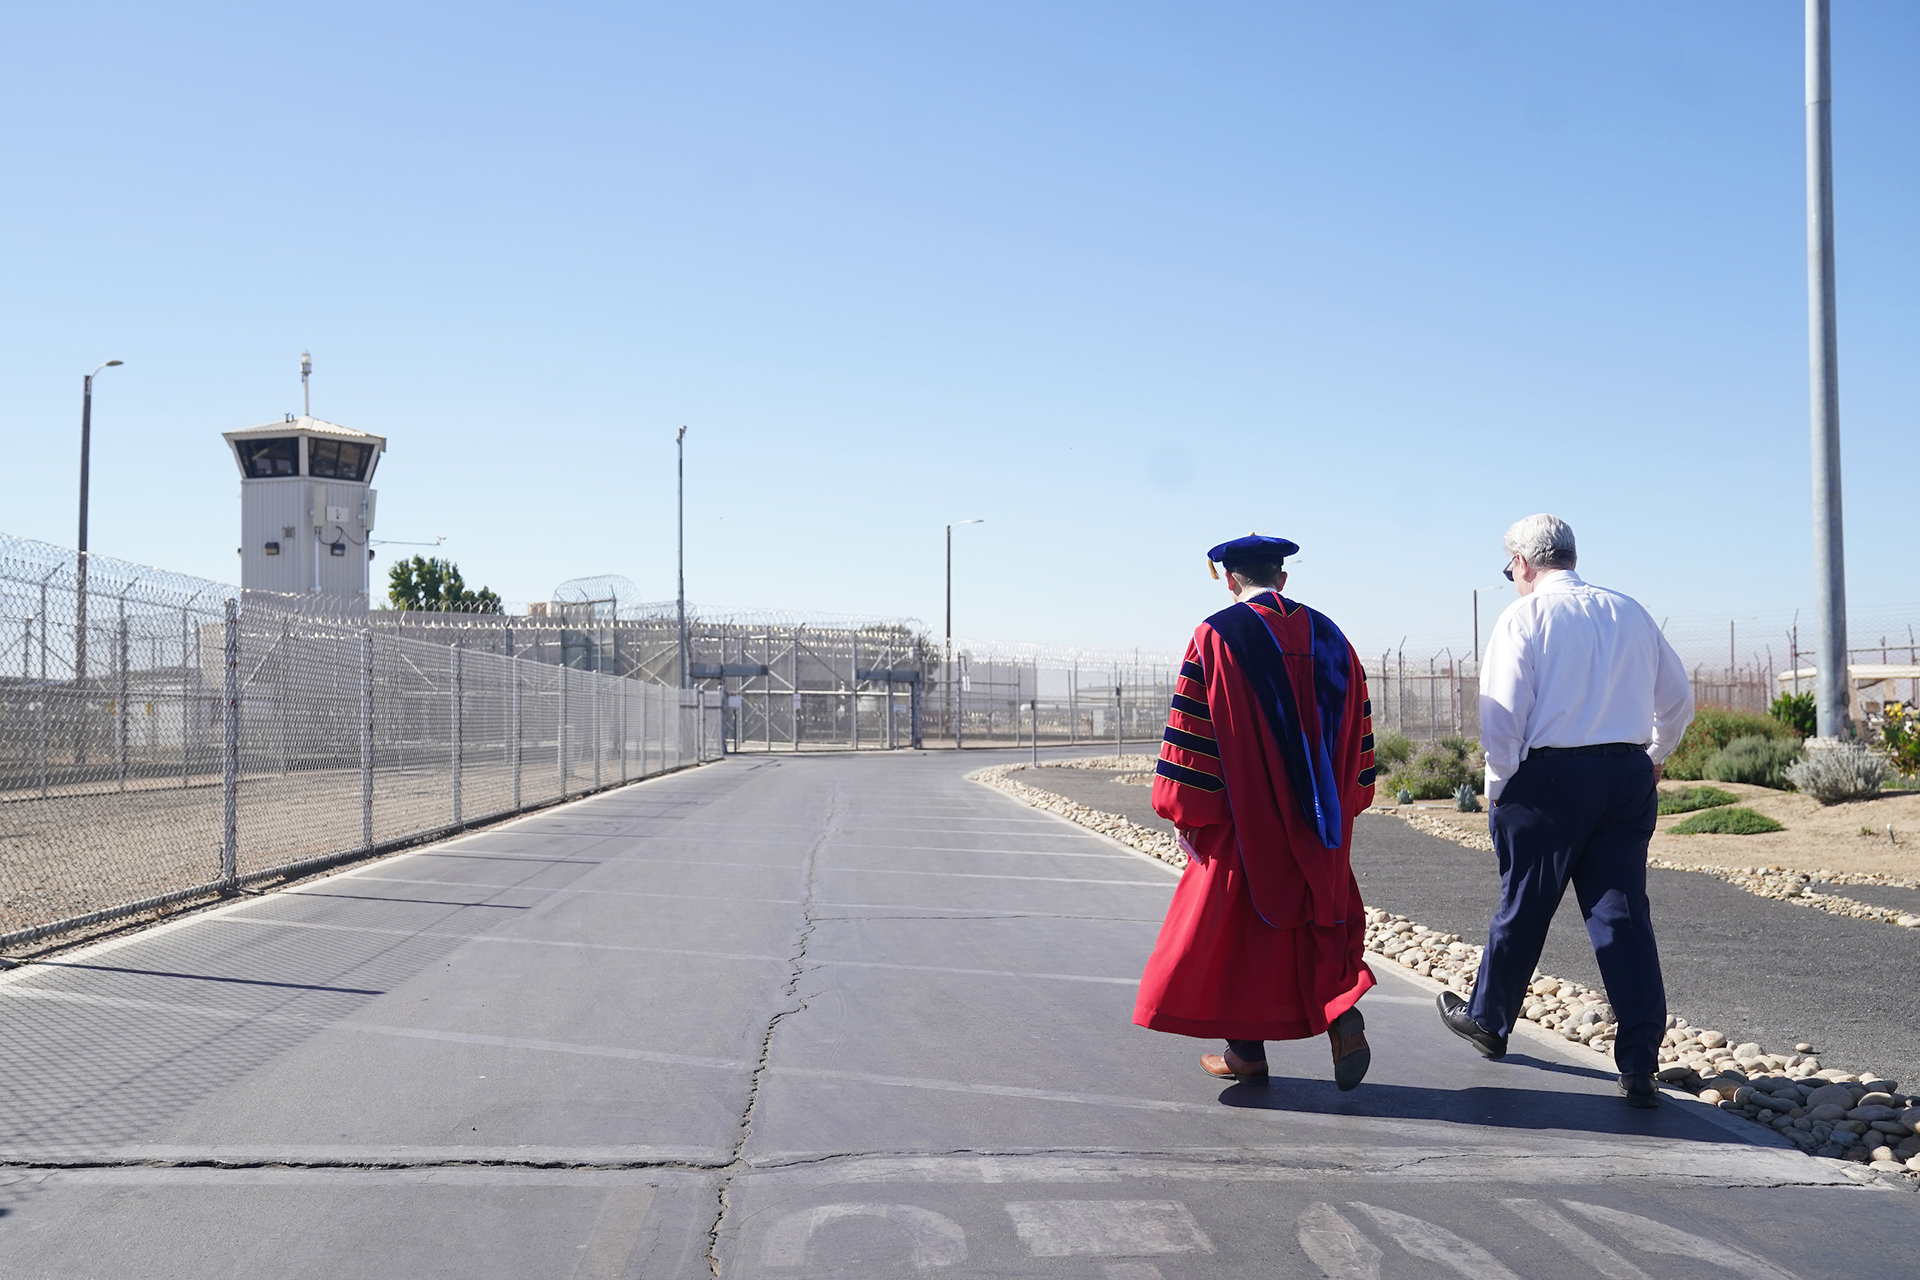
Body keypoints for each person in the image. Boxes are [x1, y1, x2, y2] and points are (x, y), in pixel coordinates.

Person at [1436, 514, 1694, 1108]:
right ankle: (1639, 1062)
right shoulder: (1630, 610)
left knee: (1526, 901)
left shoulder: (1524, 616)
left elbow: (1502, 715)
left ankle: (1490, 1022)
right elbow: (1678, 699)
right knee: (1622, 914)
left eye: (1510, 568)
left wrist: (1501, 782)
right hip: (1626, 773)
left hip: (1549, 776)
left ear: (1524, 563)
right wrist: (1655, 755)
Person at [1134, 534, 1378, 1091]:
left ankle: (1247, 1053)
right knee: (1320, 915)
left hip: (1248, 821)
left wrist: (1188, 811)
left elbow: (1196, 731)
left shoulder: (1217, 635)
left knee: (1237, 933)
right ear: (1283, 579)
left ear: (1230, 579)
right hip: (1324, 824)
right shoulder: (1333, 637)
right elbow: (1360, 734)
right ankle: (1340, 1014)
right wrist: (1341, 805)